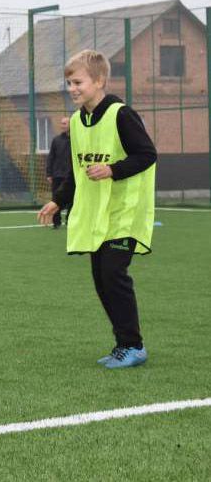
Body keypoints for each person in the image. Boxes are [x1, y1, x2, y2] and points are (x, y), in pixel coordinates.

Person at [38, 49, 156, 370]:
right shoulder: (77, 122)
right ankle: (123, 345)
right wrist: (57, 200)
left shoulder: (121, 114)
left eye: (78, 82)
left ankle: (134, 346)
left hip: (125, 212)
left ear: (99, 80)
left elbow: (147, 154)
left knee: (113, 274)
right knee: (101, 280)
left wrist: (113, 170)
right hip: (97, 216)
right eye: (69, 83)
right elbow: (79, 173)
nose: (72, 88)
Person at [46, 116, 72, 229]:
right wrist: (49, 173)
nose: (63, 125)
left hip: (71, 176)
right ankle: (56, 222)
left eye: (65, 123)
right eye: (62, 123)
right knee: (56, 198)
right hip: (57, 175)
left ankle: (70, 221)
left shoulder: (77, 139)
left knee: (73, 200)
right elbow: (51, 157)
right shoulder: (56, 140)